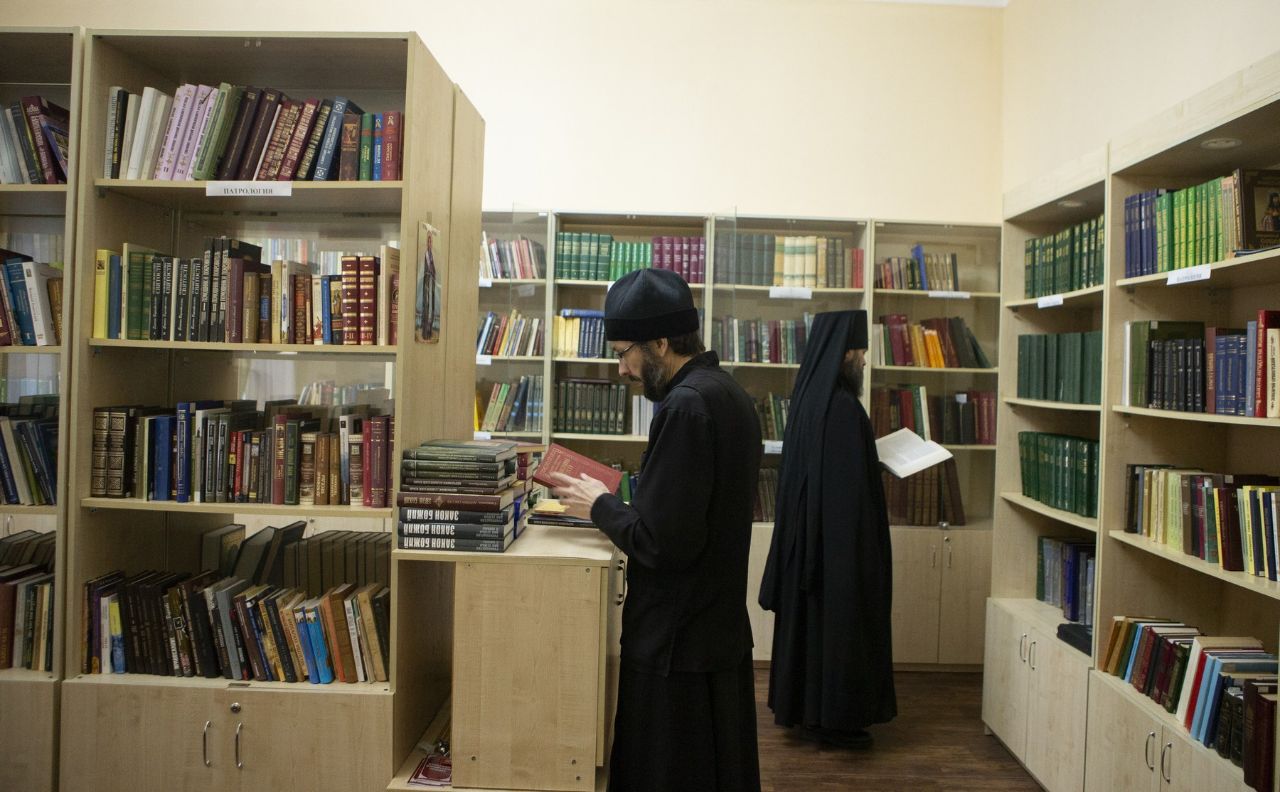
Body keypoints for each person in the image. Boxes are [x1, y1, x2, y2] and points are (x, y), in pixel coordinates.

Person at [549, 267, 763, 792]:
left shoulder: (686, 407)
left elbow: (663, 543)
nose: (622, 369)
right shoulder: (727, 392)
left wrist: (599, 505)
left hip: (677, 643)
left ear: (661, 344)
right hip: (714, 631)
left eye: (624, 353)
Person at [758, 309, 897, 749]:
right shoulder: (842, 408)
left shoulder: (810, 400)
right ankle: (834, 719)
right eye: (859, 352)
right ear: (843, 353)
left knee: (812, 633)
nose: (863, 360)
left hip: (811, 546)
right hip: (837, 548)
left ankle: (810, 711)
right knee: (838, 631)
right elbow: (848, 489)